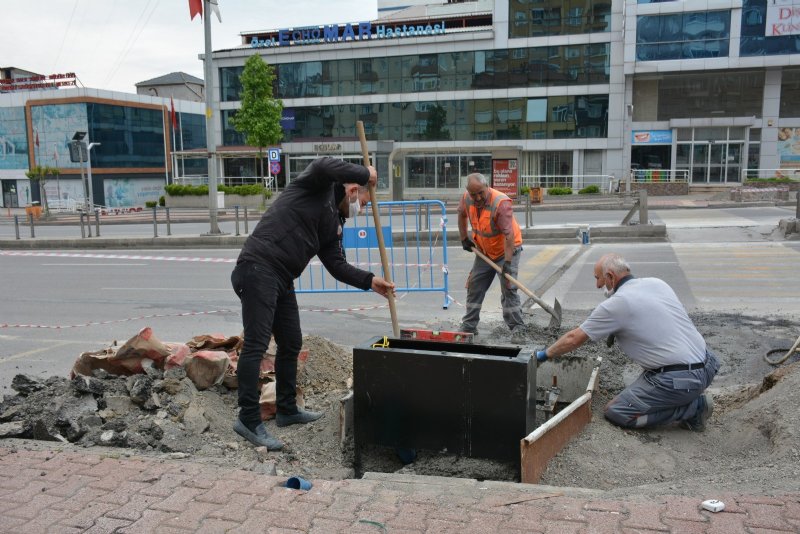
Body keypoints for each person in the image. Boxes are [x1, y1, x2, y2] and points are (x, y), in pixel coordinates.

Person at [231, 157, 395, 450]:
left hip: (282, 278)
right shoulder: (317, 186)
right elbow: (323, 165)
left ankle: (287, 410)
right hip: (258, 267)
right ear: (354, 190)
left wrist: (370, 281)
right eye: (365, 203)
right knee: (256, 344)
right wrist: (365, 171)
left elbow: (336, 265)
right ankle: (247, 418)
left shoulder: (333, 224)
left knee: (291, 342)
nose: (363, 210)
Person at [535, 253, 720, 431]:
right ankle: (685, 397)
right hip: (708, 365)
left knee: (618, 412)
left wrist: (544, 355)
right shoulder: (656, 283)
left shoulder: (618, 303)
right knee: (639, 384)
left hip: (681, 380)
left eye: (598, 278)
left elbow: (574, 338)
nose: (598, 285)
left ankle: (694, 408)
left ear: (610, 277)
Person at [457, 173, 524, 340]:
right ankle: (469, 325)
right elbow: (461, 214)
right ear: (468, 192)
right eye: (474, 194)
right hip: (484, 251)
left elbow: (509, 236)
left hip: (507, 250)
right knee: (474, 286)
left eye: (481, 192)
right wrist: (464, 238)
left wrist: (507, 263)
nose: (478, 197)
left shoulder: (500, 203)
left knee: (509, 288)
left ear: (487, 186)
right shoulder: (466, 199)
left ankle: (517, 328)